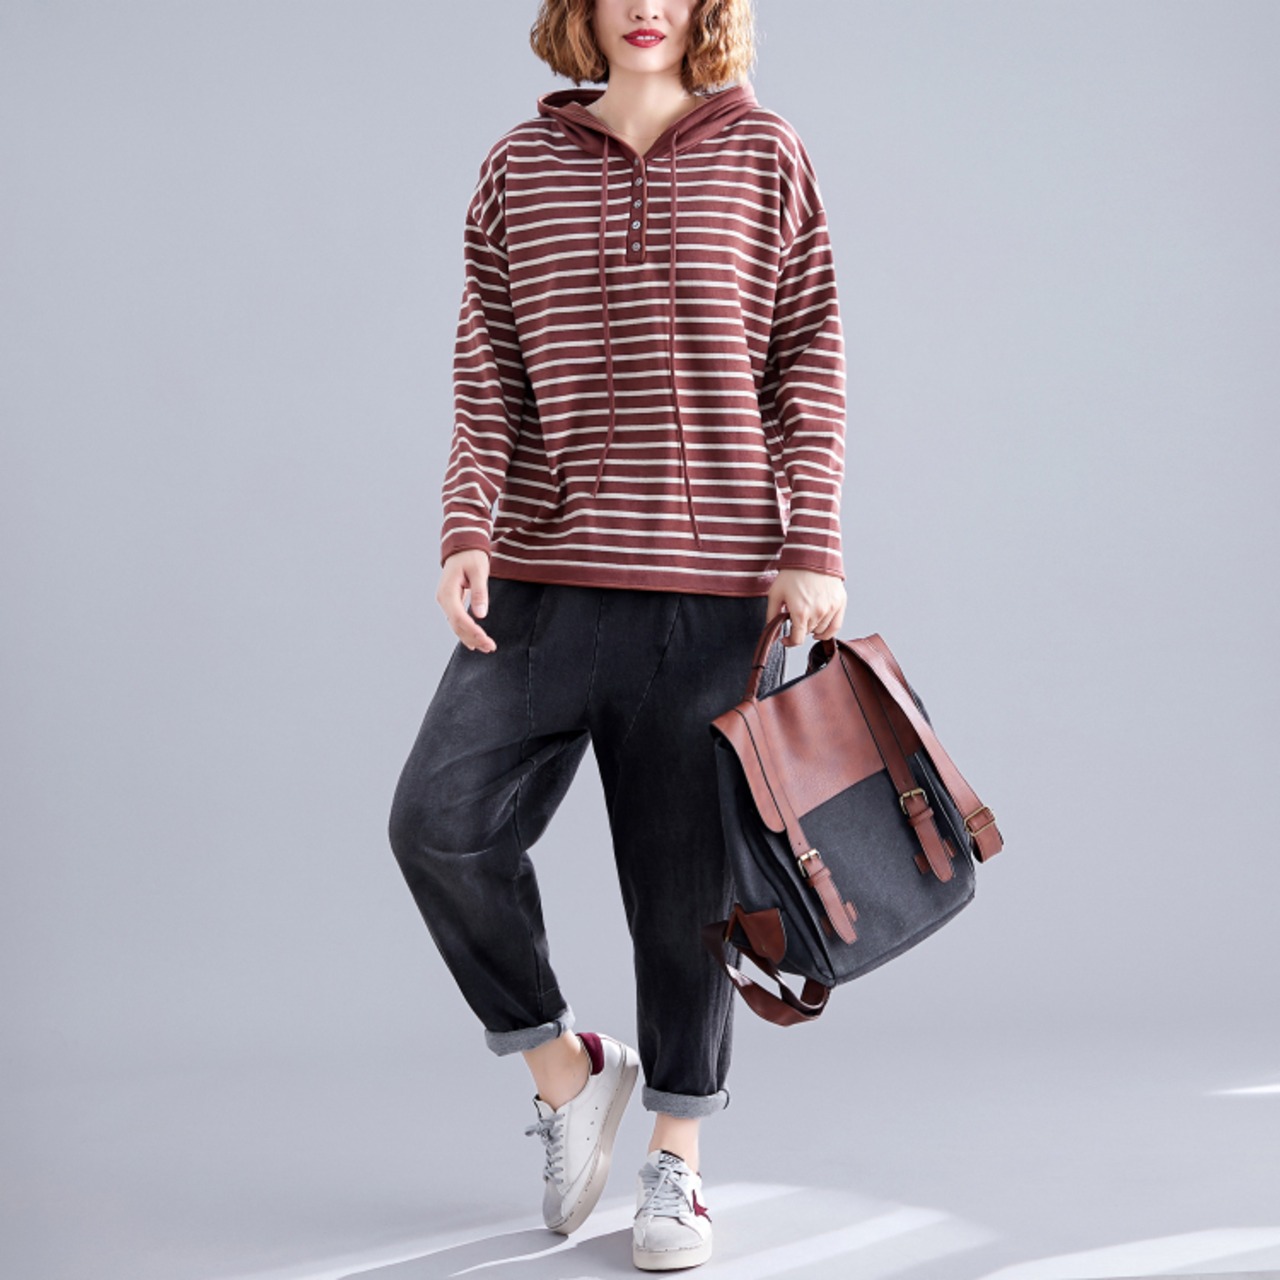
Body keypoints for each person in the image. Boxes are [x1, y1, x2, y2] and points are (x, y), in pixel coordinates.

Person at [388, 0, 847, 1268]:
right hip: (543, 580)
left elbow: (806, 356)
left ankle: (676, 1162)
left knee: (682, 892)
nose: (647, 5)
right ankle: (566, 1067)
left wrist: (811, 539)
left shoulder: (764, 152)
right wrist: (465, 523)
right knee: (437, 824)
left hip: (709, 591)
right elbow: (487, 365)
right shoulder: (516, 164)